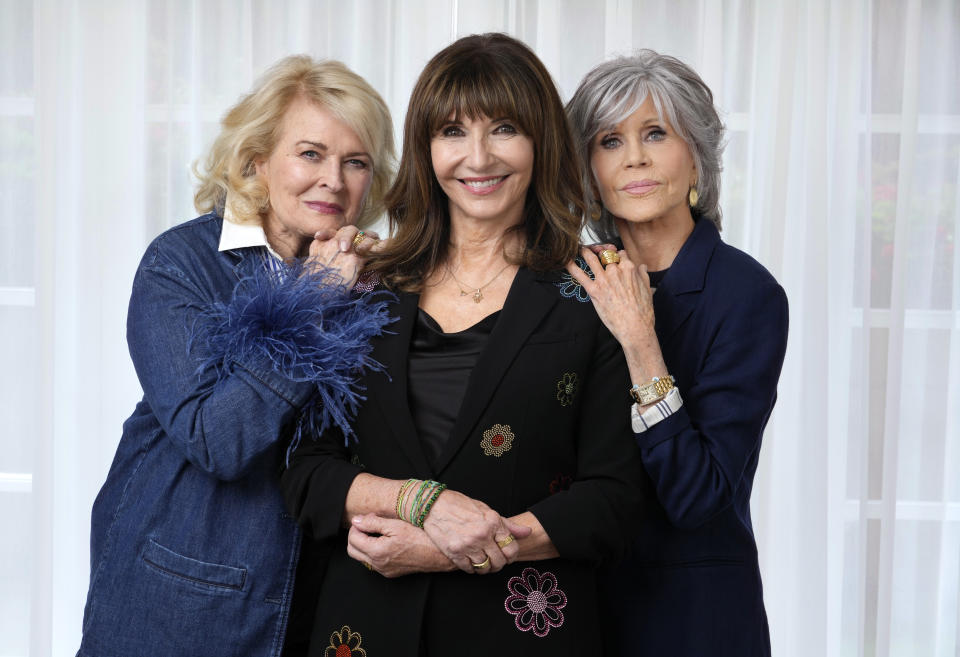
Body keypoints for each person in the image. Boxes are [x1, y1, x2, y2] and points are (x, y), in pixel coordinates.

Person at [280, 33, 643, 657]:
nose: (477, 158)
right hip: (362, 629)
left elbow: (614, 500)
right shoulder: (362, 286)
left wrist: (444, 550)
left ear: (541, 142)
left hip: (524, 631)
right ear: (425, 149)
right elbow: (304, 473)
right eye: (452, 132)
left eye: (504, 128)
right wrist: (425, 504)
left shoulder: (593, 288)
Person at [76, 55, 396, 657]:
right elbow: (216, 439)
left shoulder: (370, 279)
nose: (334, 179)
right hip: (179, 603)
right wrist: (314, 299)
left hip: (318, 603)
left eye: (355, 162)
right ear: (256, 161)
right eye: (310, 153)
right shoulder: (181, 264)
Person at [564, 50, 789, 656]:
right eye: (610, 140)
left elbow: (698, 497)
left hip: (692, 621)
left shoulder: (747, 295)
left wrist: (641, 341)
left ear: (695, 154)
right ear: (588, 167)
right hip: (571, 608)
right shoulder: (571, 281)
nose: (633, 156)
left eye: (655, 133)